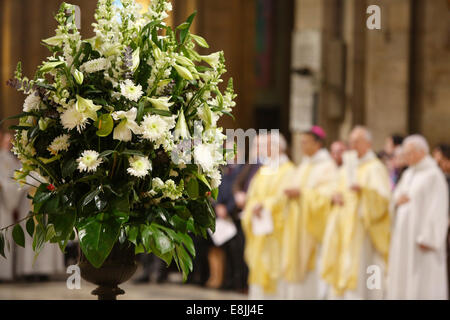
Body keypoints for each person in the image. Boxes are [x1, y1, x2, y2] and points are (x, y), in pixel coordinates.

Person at [321, 126, 391, 299]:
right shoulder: (347, 168)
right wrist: (334, 196)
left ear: (368, 143)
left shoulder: (374, 167)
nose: (352, 145)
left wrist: (365, 191)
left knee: (360, 272)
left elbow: (383, 200)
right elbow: (335, 188)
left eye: (356, 141)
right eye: (351, 141)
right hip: (343, 228)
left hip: (362, 232)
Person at [276, 126, 338, 299]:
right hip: (296, 226)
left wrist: (302, 194)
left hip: (312, 230)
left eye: (305, 142)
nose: (302, 146)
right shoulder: (303, 165)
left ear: (317, 144)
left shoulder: (327, 166)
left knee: (313, 271)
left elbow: (329, 194)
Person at [387, 135, 449, 299]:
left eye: (408, 153)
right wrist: (396, 202)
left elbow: (438, 208)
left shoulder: (433, 175)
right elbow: (396, 197)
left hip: (421, 242)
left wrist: (428, 237)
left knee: (422, 282)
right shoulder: (408, 174)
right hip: (404, 238)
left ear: (421, 152)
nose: (404, 157)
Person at [241, 132, 294, 299]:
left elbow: (283, 198)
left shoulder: (289, 170)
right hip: (260, 230)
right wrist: (253, 207)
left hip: (276, 233)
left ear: (278, 147)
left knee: (276, 274)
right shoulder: (264, 170)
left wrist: (264, 206)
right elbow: (252, 195)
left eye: (268, 145)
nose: (264, 149)